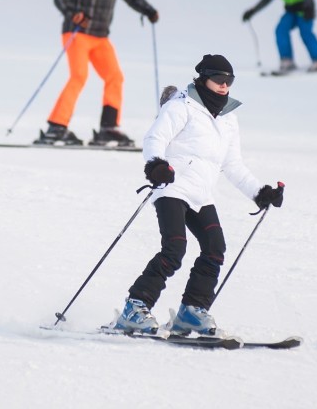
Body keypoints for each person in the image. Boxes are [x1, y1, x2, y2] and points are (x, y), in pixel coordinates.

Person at [113, 54, 285, 335]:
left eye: (229, 81)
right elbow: (154, 138)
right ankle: (134, 308)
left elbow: (232, 164)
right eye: (219, 79)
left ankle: (191, 311)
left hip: (202, 193)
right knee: (174, 249)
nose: (224, 85)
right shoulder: (182, 105)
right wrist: (156, 165)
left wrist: (260, 192)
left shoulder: (229, 117)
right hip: (173, 187)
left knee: (215, 249)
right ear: (203, 78)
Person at [35, 0, 159, 147]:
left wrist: (148, 10)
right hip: (78, 33)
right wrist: (73, 15)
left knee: (115, 77)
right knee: (79, 76)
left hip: (101, 37)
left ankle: (108, 129)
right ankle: (56, 127)